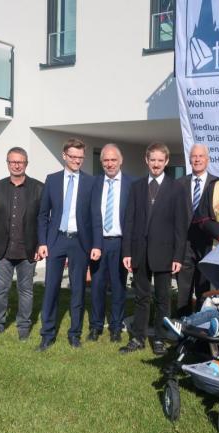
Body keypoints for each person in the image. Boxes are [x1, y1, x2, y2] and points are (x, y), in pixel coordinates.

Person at [119, 142, 188, 356]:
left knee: (163, 299)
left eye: (160, 160)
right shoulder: (137, 186)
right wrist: (127, 252)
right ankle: (138, 338)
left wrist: (178, 256)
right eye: (152, 160)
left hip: (165, 254)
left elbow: (181, 226)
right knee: (141, 297)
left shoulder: (176, 188)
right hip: (139, 252)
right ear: (146, 160)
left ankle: (159, 338)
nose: (156, 164)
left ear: (166, 162)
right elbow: (129, 221)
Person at [37, 138, 99, 351]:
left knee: (78, 289)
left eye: (80, 157)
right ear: (64, 156)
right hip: (56, 240)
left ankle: (74, 334)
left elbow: (95, 216)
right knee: (51, 288)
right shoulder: (52, 180)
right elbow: (43, 214)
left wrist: (95, 244)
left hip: (80, 242)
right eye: (73, 156)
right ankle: (47, 334)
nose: (77, 161)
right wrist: (42, 242)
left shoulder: (90, 182)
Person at [0, 147, 45, 341]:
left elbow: (43, 220)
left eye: (20, 162)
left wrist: (40, 245)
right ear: (8, 163)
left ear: (26, 163)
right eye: (12, 162)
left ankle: (24, 327)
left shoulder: (38, 187)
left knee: (26, 290)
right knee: (1, 290)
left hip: (28, 250)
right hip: (2, 250)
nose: (16, 165)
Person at [87, 144, 132, 343]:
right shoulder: (94, 183)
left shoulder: (132, 184)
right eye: (106, 160)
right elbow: (89, 215)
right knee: (97, 286)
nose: (110, 163)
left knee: (118, 286)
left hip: (121, 243)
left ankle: (116, 326)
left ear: (121, 161)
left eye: (113, 159)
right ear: (101, 162)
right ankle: (96, 326)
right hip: (99, 243)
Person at [176, 144, 219, 317]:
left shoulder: (218, 184)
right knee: (183, 290)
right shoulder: (179, 183)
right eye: (194, 156)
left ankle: (201, 325)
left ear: (207, 160)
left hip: (208, 245)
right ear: (189, 159)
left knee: (204, 290)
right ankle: (182, 325)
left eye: (201, 156)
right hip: (185, 245)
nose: (197, 159)